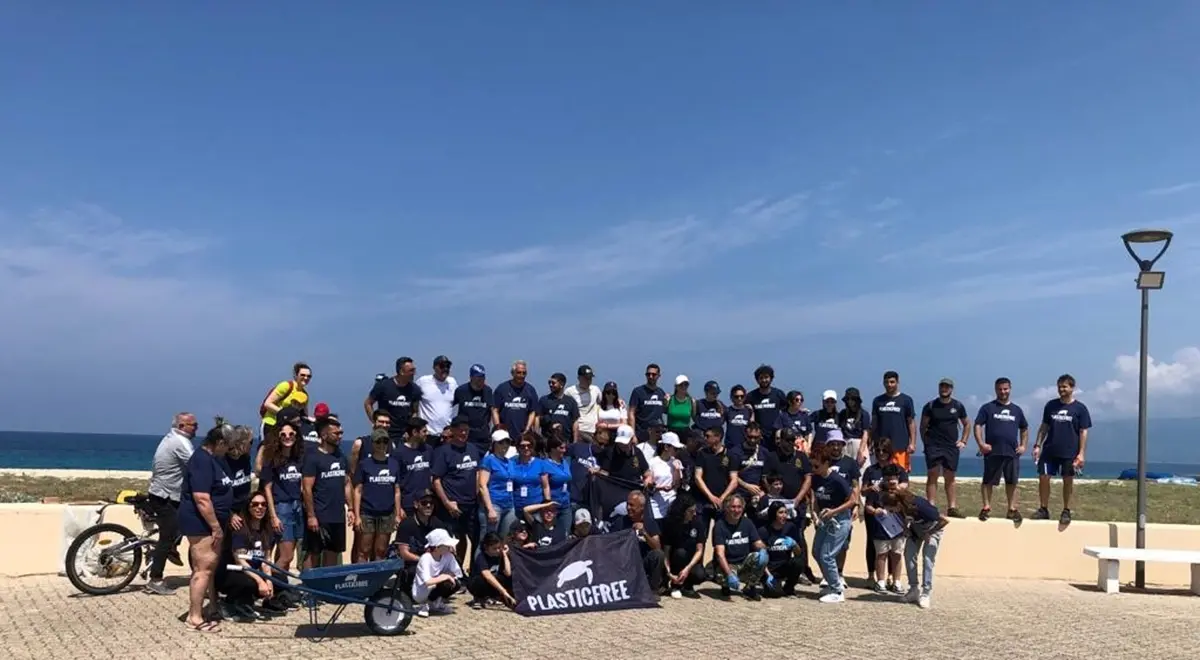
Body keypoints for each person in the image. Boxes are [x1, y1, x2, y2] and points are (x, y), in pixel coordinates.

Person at [178, 420, 236, 633]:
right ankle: (194, 617)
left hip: (213, 521)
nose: (228, 450)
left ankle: (211, 607)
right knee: (203, 568)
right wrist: (215, 526)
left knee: (210, 566)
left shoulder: (214, 459)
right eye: (227, 446)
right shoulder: (201, 460)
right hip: (201, 523)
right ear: (219, 442)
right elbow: (202, 498)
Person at [144, 412, 196, 596]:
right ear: (182, 426)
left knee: (183, 522)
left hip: (165, 494)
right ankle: (155, 579)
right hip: (165, 496)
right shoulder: (181, 442)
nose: (196, 428)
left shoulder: (172, 437)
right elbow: (197, 465)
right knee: (166, 537)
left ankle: (169, 549)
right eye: (193, 425)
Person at [1033, 374, 1092, 525]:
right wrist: (1037, 445)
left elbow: (1083, 431)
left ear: (1072, 388)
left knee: (1067, 480)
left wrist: (1081, 453)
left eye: (1064, 387)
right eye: (1059, 387)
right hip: (1049, 450)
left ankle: (1066, 510)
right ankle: (1043, 509)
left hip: (1069, 452)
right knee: (1043, 477)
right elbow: (1044, 427)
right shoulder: (1050, 405)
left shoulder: (1080, 408)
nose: (1061, 390)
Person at [217, 492, 283, 621]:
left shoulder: (267, 529)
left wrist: (268, 581)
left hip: (253, 571)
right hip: (233, 571)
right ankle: (228, 603)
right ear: (248, 507)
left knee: (280, 579)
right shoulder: (240, 529)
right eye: (255, 504)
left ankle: (248, 602)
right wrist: (260, 581)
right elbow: (240, 561)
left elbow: (266, 560)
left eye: (263, 504)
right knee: (250, 582)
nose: (260, 507)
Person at [762, 428, 816, 583]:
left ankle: (802, 570)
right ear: (781, 441)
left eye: (793, 440)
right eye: (788, 440)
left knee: (798, 536)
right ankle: (773, 570)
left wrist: (797, 500)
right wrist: (773, 495)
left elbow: (808, 479)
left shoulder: (801, 457)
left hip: (797, 504)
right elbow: (765, 478)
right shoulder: (772, 456)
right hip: (777, 504)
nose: (791, 443)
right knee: (774, 536)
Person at [883, 488, 950, 609]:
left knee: (927, 560)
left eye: (892, 510)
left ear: (898, 504)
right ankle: (913, 589)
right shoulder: (901, 507)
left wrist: (929, 533)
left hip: (933, 529)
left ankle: (926, 592)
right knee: (909, 556)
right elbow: (906, 518)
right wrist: (906, 528)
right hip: (916, 530)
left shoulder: (920, 506)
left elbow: (944, 520)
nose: (892, 512)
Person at [973, 377, 1029, 522]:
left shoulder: (1017, 410)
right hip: (992, 452)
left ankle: (1012, 509)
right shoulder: (988, 408)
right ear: (995, 390)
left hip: (1012, 452)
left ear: (1010, 389)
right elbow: (977, 425)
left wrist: (1023, 445)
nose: (1003, 392)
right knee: (988, 481)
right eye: (1000, 389)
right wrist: (981, 444)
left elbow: (1024, 428)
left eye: (1005, 389)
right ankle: (986, 508)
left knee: (1012, 482)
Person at [301, 417, 353, 569]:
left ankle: (327, 582)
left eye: (341, 433)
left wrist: (350, 508)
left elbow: (346, 483)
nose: (340, 436)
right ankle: (308, 581)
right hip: (319, 514)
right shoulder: (313, 457)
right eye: (336, 433)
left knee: (333, 552)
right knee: (314, 552)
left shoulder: (341, 456)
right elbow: (307, 488)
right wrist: (311, 516)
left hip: (337, 515)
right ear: (324, 435)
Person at [259, 420, 305, 591]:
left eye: (291, 434)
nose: (287, 437)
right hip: (281, 508)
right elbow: (267, 488)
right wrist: (273, 516)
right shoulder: (272, 460)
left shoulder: (299, 458)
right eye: (283, 434)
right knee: (286, 556)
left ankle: (280, 589)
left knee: (289, 554)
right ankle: (272, 588)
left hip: (297, 507)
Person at [430, 415, 481, 562]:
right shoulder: (443, 451)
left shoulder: (473, 449)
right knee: (451, 540)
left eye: (466, 430)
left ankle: (467, 570)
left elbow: (477, 473)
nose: (463, 433)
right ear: (452, 431)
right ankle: (451, 568)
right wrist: (447, 503)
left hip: (471, 504)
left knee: (472, 538)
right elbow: (436, 480)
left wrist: (478, 495)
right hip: (452, 505)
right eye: (460, 430)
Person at [809, 446, 856, 604]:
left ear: (826, 463)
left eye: (817, 466)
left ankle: (837, 590)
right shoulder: (815, 478)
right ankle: (831, 583)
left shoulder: (837, 480)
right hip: (824, 519)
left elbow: (852, 500)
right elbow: (814, 498)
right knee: (816, 551)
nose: (813, 469)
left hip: (840, 520)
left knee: (827, 555)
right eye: (812, 465)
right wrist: (814, 513)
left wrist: (834, 512)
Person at [919, 378, 970, 517]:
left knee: (950, 476)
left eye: (947, 387)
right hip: (933, 445)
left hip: (951, 446)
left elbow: (967, 424)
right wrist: (926, 444)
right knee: (932, 474)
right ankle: (931, 506)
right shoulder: (930, 406)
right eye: (942, 386)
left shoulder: (958, 406)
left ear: (951, 389)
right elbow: (923, 426)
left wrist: (964, 441)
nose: (944, 389)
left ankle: (952, 507)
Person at [352, 429, 401, 562]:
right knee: (364, 550)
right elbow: (358, 490)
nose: (382, 445)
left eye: (385, 442)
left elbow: (397, 490)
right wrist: (357, 516)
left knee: (381, 550)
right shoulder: (364, 464)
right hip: (367, 513)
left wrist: (397, 514)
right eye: (378, 442)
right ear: (373, 443)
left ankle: (378, 574)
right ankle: (362, 574)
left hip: (387, 514)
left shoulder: (394, 464)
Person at [862, 456, 909, 593]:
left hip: (898, 530)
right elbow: (867, 506)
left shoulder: (902, 493)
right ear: (883, 478)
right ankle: (881, 581)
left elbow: (910, 507)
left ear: (897, 478)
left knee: (897, 554)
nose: (891, 482)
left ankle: (897, 581)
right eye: (888, 479)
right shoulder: (876, 491)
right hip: (881, 529)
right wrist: (875, 511)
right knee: (881, 554)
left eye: (893, 478)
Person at [711, 493, 767, 600]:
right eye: (733, 507)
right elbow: (719, 554)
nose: (736, 510)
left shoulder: (747, 522)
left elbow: (758, 542)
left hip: (744, 563)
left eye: (739, 507)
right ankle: (726, 586)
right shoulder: (720, 525)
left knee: (760, 557)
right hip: (728, 564)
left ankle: (750, 587)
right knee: (723, 575)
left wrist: (763, 550)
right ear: (726, 508)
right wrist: (729, 574)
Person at [608, 491, 666, 594]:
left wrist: (644, 533)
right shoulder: (620, 522)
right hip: (625, 563)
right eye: (627, 504)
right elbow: (609, 544)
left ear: (642, 507)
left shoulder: (650, 522)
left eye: (632, 505)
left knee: (658, 555)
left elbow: (657, 547)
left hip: (642, 562)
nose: (628, 507)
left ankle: (653, 590)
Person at [393, 490, 447, 591]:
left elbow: (448, 546)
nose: (428, 505)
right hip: (413, 563)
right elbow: (404, 554)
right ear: (416, 505)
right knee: (414, 573)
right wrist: (425, 560)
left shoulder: (438, 523)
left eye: (431, 503)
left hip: (433, 562)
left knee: (452, 581)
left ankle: (437, 596)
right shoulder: (406, 524)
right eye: (424, 503)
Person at [364, 357, 422, 446]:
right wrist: (375, 421)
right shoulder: (383, 386)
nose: (414, 373)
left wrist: (410, 430)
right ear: (401, 371)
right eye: (411, 371)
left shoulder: (415, 389)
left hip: (404, 435)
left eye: (414, 370)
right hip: (385, 431)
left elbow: (415, 411)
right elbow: (368, 403)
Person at [693, 426, 739, 537]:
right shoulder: (702, 453)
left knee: (722, 536)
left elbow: (734, 480)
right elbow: (697, 477)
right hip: (703, 502)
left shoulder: (730, 455)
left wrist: (722, 498)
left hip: (723, 503)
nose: (705, 438)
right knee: (700, 537)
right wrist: (711, 497)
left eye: (708, 436)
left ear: (718, 437)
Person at [661, 493, 706, 599]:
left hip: (691, 560)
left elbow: (699, 550)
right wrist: (669, 573)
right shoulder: (671, 524)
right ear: (682, 511)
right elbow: (666, 551)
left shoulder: (698, 522)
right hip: (676, 559)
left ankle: (687, 585)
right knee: (680, 553)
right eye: (691, 511)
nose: (694, 513)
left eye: (695, 510)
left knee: (700, 575)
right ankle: (675, 584)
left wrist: (687, 568)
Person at [412, 528, 464, 618]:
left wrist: (447, 576)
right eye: (446, 545)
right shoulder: (426, 558)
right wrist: (445, 576)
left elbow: (457, 573)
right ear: (437, 547)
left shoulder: (448, 556)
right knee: (443, 582)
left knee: (456, 583)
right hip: (421, 592)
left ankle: (436, 602)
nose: (450, 547)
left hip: (435, 586)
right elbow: (428, 581)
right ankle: (424, 604)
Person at [871, 371, 916, 472]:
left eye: (892, 382)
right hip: (882, 447)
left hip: (900, 445)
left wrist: (912, 443)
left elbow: (911, 422)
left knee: (900, 474)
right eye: (887, 382)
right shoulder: (877, 401)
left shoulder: (906, 400)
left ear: (897, 382)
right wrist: (871, 441)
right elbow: (874, 423)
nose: (889, 385)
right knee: (881, 474)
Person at [758, 501, 805, 597]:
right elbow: (760, 557)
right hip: (769, 568)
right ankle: (769, 585)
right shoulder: (763, 531)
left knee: (798, 562)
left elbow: (798, 553)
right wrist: (768, 575)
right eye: (780, 513)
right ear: (773, 514)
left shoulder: (790, 527)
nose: (784, 515)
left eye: (786, 512)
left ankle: (789, 588)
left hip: (784, 566)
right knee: (774, 594)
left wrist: (794, 544)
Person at [477, 430, 516, 543]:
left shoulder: (509, 462)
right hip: (494, 504)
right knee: (488, 542)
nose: (505, 445)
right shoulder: (488, 460)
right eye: (501, 442)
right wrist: (490, 509)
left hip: (509, 505)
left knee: (505, 540)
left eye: (507, 442)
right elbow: (482, 485)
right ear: (494, 444)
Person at [260, 362, 312, 442]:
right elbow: (267, 404)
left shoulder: (305, 395)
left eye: (309, 376)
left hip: (286, 430)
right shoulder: (286, 386)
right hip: (271, 424)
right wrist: (285, 414)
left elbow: (303, 415)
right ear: (296, 375)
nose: (306, 378)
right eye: (302, 375)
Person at [392, 417, 432, 518]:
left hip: (427, 502)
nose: (427, 433)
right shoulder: (398, 453)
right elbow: (395, 483)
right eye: (424, 431)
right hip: (408, 504)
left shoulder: (428, 450)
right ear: (414, 432)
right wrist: (399, 508)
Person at [466, 532, 516, 610]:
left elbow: (508, 573)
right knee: (481, 580)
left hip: (494, 585)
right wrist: (504, 592)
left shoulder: (500, 555)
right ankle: (479, 598)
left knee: (508, 578)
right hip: (478, 584)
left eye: (499, 548)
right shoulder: (481, 557)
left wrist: (505, 555)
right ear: (486, 547)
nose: (498, 550)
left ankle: (494, 597)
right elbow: (487, 576)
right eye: (494, 548)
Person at [731, 422, 768, 522]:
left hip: (757, 496)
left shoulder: (764, 453)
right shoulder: (735, 452)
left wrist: (764, 491)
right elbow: (732, 475)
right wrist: (747, 486)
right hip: (740, 494)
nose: (752, 440)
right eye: (750, 437)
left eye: (756, 437)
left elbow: (766, 476)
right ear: (745, 435)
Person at [453, 364, 494, 451]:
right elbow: (449, 407)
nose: (480, 380)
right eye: (478, 377)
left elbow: (492, 410)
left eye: (482, 377)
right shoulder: (461, 390)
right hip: (465, 436)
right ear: (471, 377)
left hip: (482, 438)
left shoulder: (488, 391)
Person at [416, 355, 457, 440]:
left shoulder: (452, 382)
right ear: (434, 367)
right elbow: (412, 399)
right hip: (427, 434)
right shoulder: (423, 381)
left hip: (447, 435)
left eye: (448, 366)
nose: (445, 369)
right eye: (442, 366)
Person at [492, 360, 539, 436]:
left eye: (524, 373)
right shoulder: (502, 388)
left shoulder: (530, 390)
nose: (521, 375)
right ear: (512, 373)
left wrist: (527, 429)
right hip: (505, 434)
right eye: (519, 372)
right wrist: (498, 428)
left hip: (523, 435)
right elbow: (495, 410)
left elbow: (532, 412)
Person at [746, 365, 787, 449]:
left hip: (776, 436)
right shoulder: (751, 396)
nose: (764, 380)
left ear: (771, 378)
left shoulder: (779, 394)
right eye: (761, 378)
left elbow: (788, 410)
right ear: (757, 380)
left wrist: (800, 410)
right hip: (758, 437)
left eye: (766, 377)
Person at [540, 436, 574, 530]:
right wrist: (548, 505)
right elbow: (545, 486)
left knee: (565, 533)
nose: (564, 450)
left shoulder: (565, 462)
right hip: (552, 506)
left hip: (565, 504)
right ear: (552, 449)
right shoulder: (545, 464)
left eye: (565, 448)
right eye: (561, 448)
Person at [348, 410, 393, 481]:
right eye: (381, 422)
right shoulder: (360, 443)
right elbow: (352, 472)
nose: (384, 425)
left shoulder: (391, 444)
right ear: (374, 422)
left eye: (387, 422)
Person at [648, 432, 684, 520]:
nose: (677, 451)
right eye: (675, 449)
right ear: (666, 447)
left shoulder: (676, 462)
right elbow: (648, 486)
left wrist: (676, 470)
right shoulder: (652, 463)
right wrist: (661, 488)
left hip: (671, 504)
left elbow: (677, 485)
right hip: (655, 505)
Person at [628, 363, 667, 443]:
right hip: (641, 433)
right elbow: (631, 413)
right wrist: (633, 435)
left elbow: (665, 411)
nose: (650, 376)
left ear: (658, 376)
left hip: (657, 434)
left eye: (653, 374)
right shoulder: (638, 391)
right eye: (648, 374)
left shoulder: (661, 392)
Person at [565, 365, 602, 443]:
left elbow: (603, 403)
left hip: (593, 430)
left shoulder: (595, 390)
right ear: (579, 378)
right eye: (586, 378)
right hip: (578, 429)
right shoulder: (570, 391)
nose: (588, 381)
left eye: (590, 378)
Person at [838, 387, 872, 467]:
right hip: (845, 443)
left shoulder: (864, 414)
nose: (850, 401)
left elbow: (865, 433)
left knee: (862, 469)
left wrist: (861, 450)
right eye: (848, 399)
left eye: (852, 399)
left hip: (859, 443)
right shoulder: (843, 413)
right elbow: (839, 429)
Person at [723, 384, 755, 450]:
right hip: (730, 446)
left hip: (745, 446)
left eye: (742, 396)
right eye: (736, 396)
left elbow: (752, 426)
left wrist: (752, 412)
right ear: (731, 397)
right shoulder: (727, 410)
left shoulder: (749, 410)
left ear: (745, 397)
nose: (739, 398)